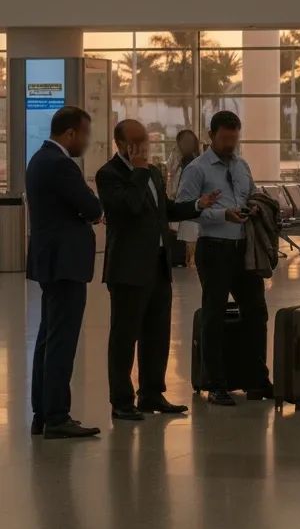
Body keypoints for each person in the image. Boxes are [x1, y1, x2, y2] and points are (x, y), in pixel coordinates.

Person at [97, 119, 220, 420]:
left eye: (144, 140)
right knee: (125, 336)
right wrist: (138, 171)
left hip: (158, 265)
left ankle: (152, 393)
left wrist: (197, 205)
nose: (142, 146)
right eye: (135, 141)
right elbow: (129, 208)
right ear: (120, 144)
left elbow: (164, 208)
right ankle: (121, 401)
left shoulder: (153, 172)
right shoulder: (109, 175)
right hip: (127, 269)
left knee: (157, 333)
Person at [176, 110, 274, 406]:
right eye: (224, 138)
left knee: (256, 311)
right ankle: (216, 384)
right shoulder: (197, 169)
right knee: (214, 314)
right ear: (211, 136)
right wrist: (222, 214)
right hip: (214, 247)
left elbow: (252, 194)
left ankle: (257, 379)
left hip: (243, 249)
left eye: (234, 138)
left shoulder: (242, 165)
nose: (230, 143)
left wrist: (253, 208)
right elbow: (184, 208)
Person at [26, 106, 103, 439]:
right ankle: (57, 416)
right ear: (70, 133)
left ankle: (43, 412)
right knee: (61, 340)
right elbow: (92, 207)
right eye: (85, 134)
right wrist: (91, 207)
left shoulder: (39, 160)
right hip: (65, 262)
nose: (86, 142)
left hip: (51, 261)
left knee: (48, 337)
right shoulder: (61, 165)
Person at [167, 128, 202, 266]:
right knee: (185, 240)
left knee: (190, 239)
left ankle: (189, 260)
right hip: (183, 209)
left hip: (191, 208)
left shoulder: (195, 163)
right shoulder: (180, 161)